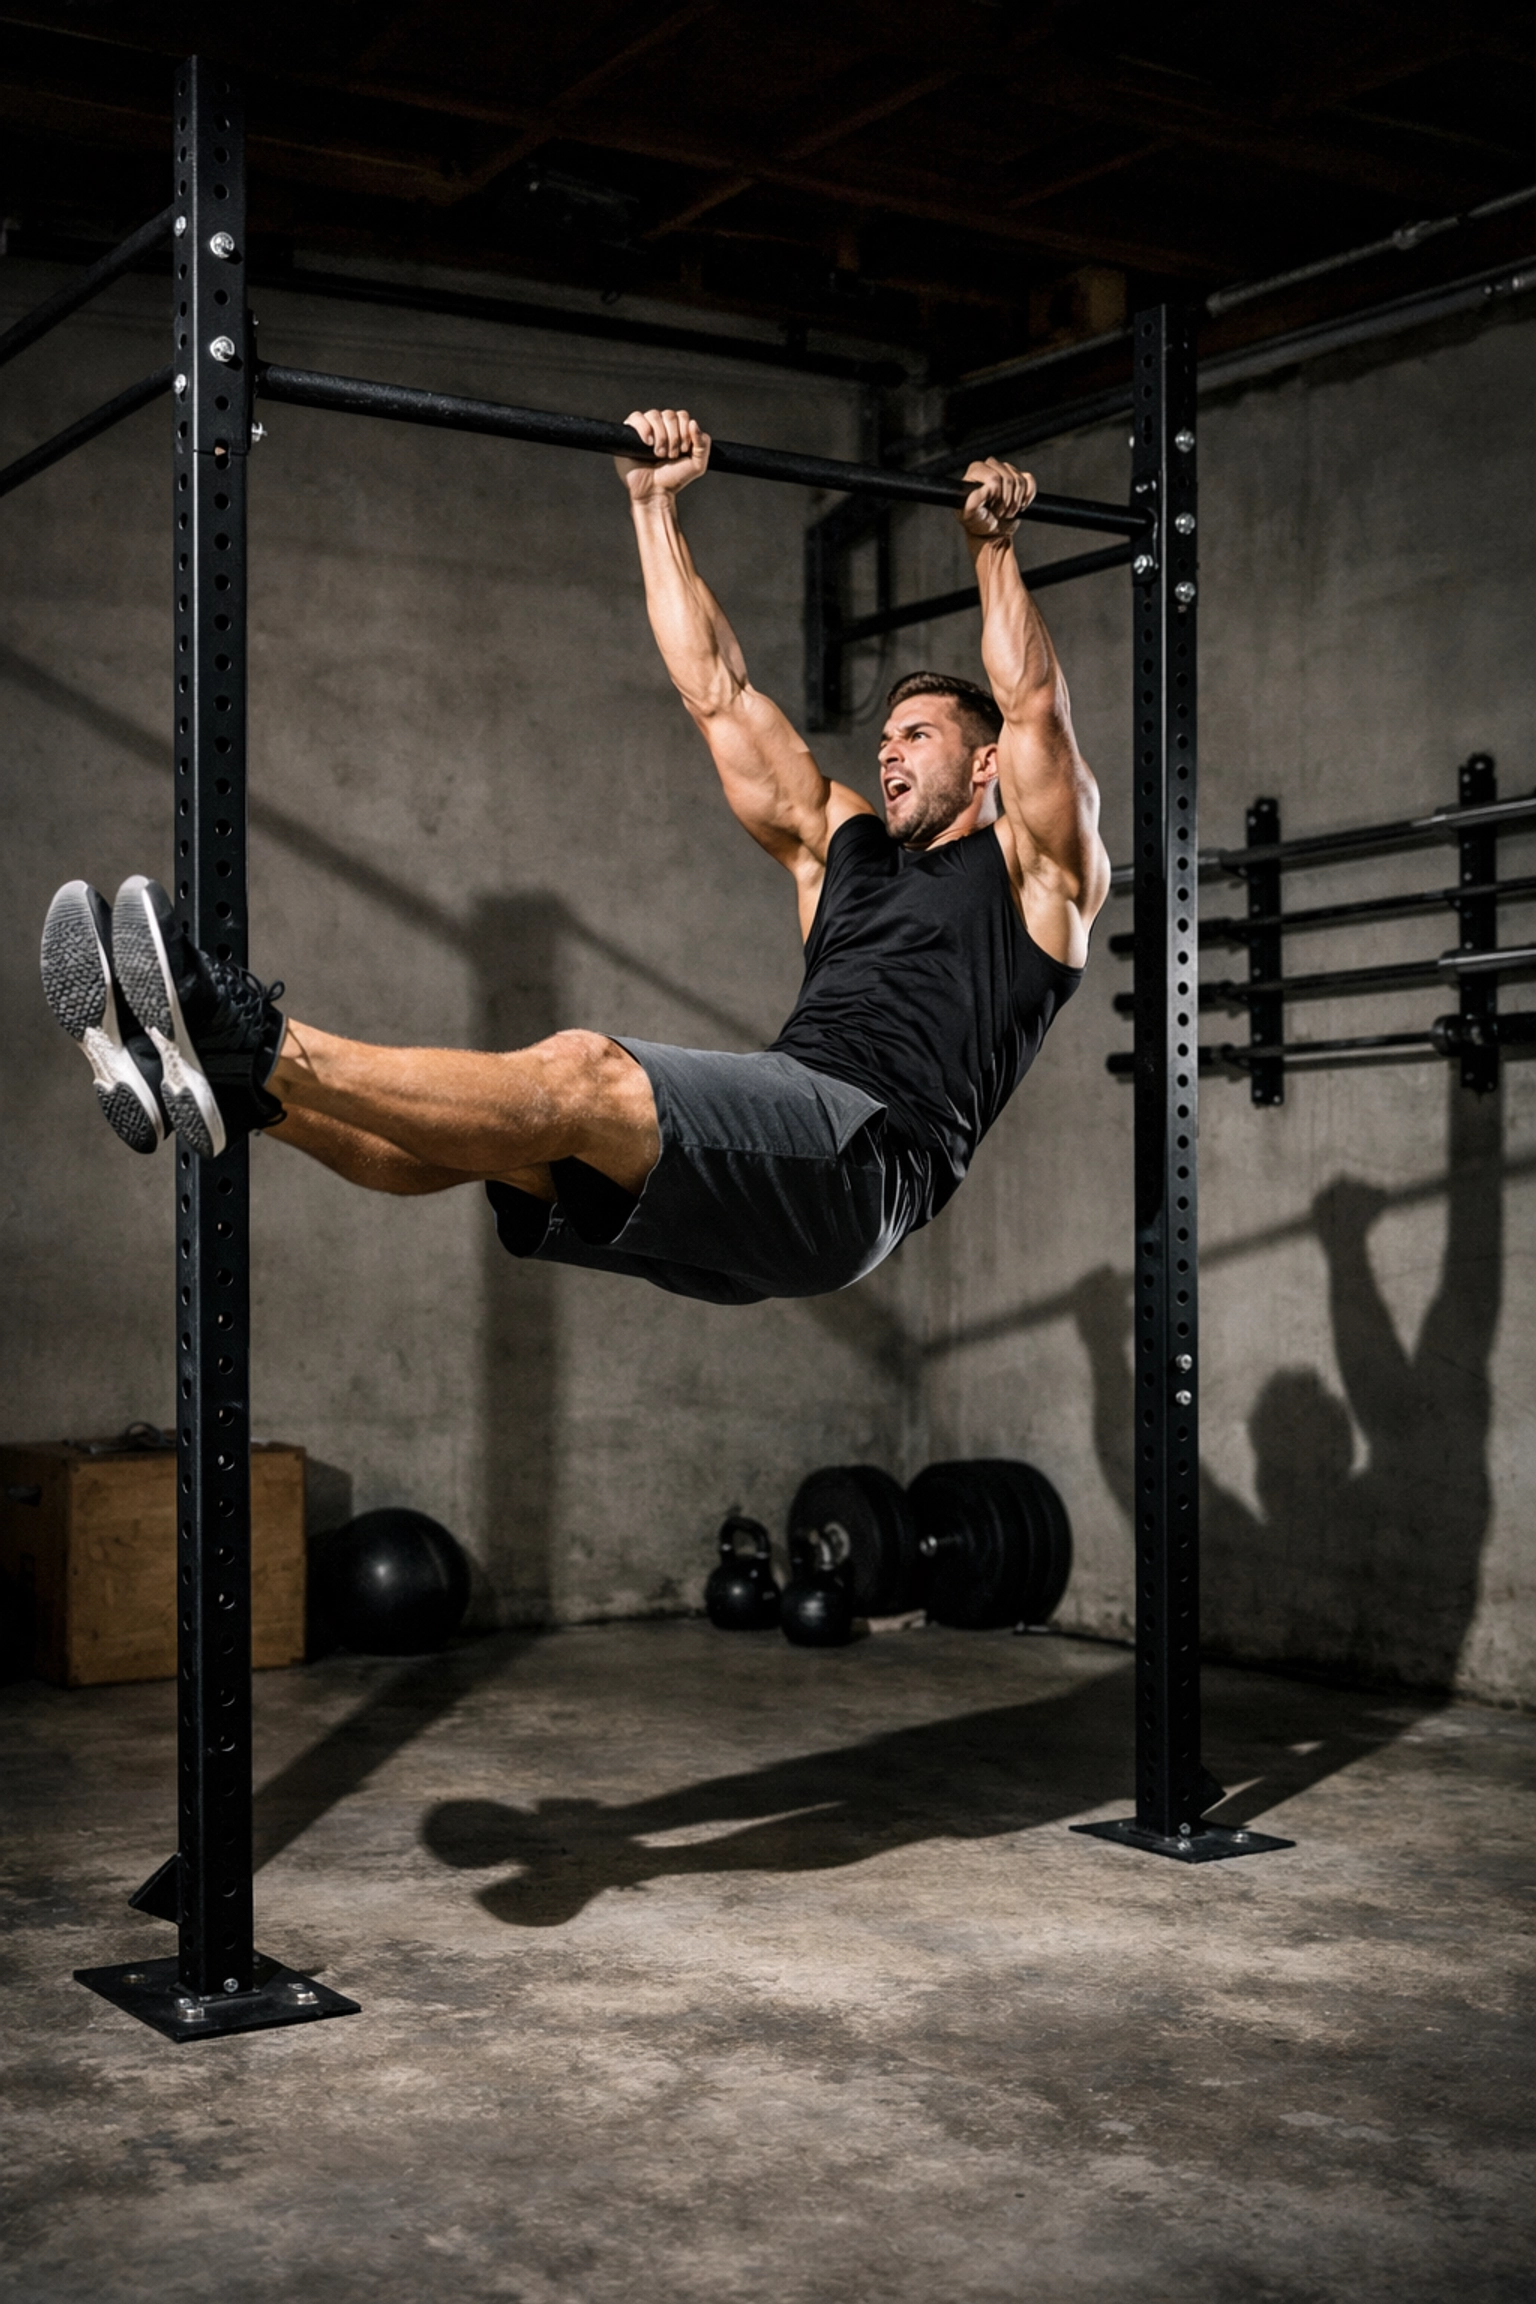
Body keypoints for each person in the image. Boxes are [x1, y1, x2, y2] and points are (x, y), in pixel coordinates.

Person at [40, 409, 1109, 1306]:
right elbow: (718, 693)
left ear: (984, 771)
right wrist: (653, 506)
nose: (887, 749)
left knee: (580, 1073)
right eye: (886, 737)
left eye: (917, 735)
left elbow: (1034, 709)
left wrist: (991, 547)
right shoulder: (842, 855)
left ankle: (251, 1037)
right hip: (784, 1157)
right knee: (498, 1142)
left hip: (862, 1159)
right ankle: (246, 1096)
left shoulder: (1038, 877)